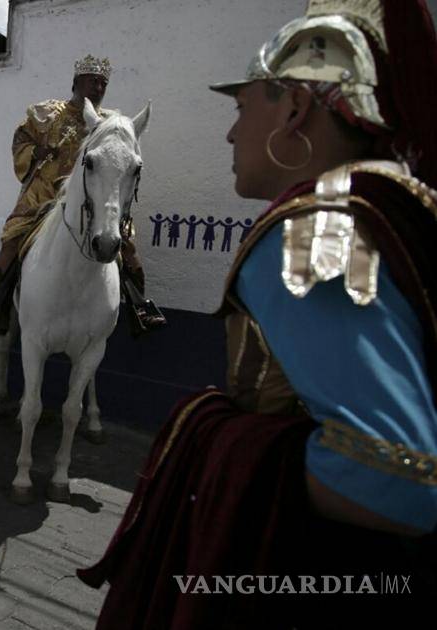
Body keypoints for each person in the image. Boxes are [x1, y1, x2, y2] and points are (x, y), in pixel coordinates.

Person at [79, 1, 437, 627]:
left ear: (294, 108)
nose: (229, 132)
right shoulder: (388, 210)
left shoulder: (313, 234)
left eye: (242, 109)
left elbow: (397, 478)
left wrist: (220, 445)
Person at [0, 56, 164, 336]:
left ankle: (138, 305)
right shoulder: (47, 113)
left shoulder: (111, 122)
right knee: (12, 240)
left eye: (103, 83)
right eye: (92, 81)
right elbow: (20, 139)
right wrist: (32, 154)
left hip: (92, 201)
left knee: (128, 246)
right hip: (44, 196)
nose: (98, 87)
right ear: (76, 83)